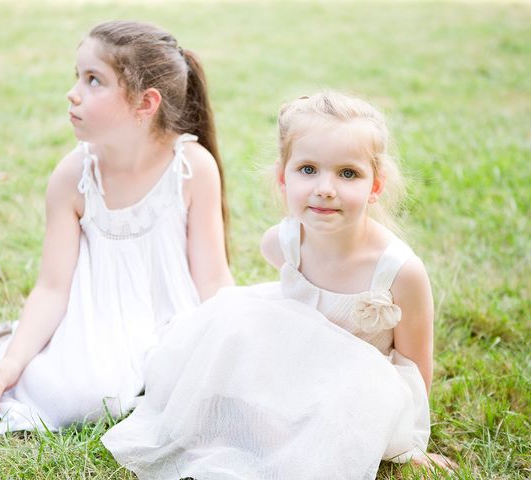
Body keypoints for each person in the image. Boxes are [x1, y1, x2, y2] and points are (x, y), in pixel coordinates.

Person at [101, 91, 453, 479]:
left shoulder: (399, 272)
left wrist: (410, 442)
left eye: (348, 173)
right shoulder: (281, 243)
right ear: (282, 177)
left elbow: (414, 366)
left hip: (349, 386)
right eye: (307, 169)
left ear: (376, 186)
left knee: (322, 444)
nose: (325, 188)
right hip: (295, 370)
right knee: (231, 331)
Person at [0, 20, 233, 434]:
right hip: (97, 321)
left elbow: (212, 278)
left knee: (202, 388)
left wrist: (230, 343)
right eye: (78, 77)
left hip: (172, 319)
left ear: (146, 103)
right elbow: (52, 288)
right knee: (82, 399)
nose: (73, 93)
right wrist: (13, 362)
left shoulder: (192, 168)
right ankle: (2, 346)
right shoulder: (74, 176)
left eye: (93, 80)